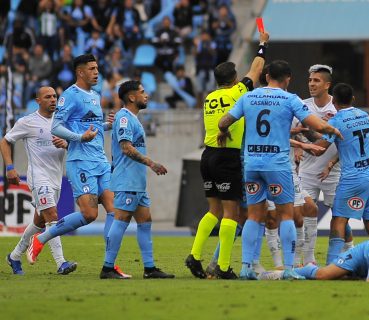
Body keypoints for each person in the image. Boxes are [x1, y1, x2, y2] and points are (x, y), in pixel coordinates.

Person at [218, 60, 343, 280]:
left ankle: (246, 267)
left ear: (266, 77)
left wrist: (223, 131)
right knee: (286, 215)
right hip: (277, 165)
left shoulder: (248, 96)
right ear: (288, 79)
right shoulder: (290, 99)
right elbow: (318, 125)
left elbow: (223, 121)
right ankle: (288, 268)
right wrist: (333, 129)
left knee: (254, 216)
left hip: (252, 164)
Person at [26, 54, 129, 277]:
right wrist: (79, 138)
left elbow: (89, 126)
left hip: (101, 161)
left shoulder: (94, 95)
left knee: (114, 210)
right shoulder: (70, 96)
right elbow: (56, 127)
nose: (96, 72)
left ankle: (109, 265)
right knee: (90, 214)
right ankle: (41, 237)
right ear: (80, 72)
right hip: (80, 162)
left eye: (97, 68)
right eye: (92, 69)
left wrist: (105, 126)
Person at [185, 30, 270, 280]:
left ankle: (195, 255)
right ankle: (223, 266)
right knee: (231, 213)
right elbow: (256, 68)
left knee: (213, 211)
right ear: (234, 79)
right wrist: (263, 44)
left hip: (207, 155)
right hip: (227, 158)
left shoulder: (209, 98)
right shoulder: (237, 93)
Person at [100, 80, 174, 279]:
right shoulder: (124, 118)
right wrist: (151, 163)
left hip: (137, 182)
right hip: (127, 179)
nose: (146, 95)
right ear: (132, 97)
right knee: (121, 219)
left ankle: (149, 268)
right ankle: (107, 268)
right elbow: (126, 147)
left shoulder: (131, 117)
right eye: (142, 92)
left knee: (145, 221)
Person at [1, 87, 77, 275]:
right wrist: (10, 167)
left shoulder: (63, 122)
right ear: (38, 100)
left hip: (56, 179)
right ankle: (61, 263)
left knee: (39, 223)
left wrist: (67, 144)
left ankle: (14, 256)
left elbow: (76, 144)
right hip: (38, 178)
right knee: (52, 215)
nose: (53, 100)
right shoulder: (27, 122)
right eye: (48, 97)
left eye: (54, 96)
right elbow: (5, 141)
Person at [315, 83, 369, 266]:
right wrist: (332, 163)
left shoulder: (336, 121)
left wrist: (296, 137)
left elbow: (318, 149)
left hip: (353, 179)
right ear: (353, 98)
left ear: (334, 100)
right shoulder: (365, 116)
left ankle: (332, 265)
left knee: (338, 220)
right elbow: (352, 144)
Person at [297, 64, 354, 265]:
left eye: (316, 81)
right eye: (310, 80)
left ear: (327, 85)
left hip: (334, 172)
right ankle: (309, 260)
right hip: (307, 170)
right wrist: (297, 149)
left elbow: (346, 138)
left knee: (339, 217)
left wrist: (332, 161)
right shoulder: (302, 105)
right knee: (304, 213)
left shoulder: (338, 107)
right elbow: (291, 130)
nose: (311, 84)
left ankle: (350, 254)